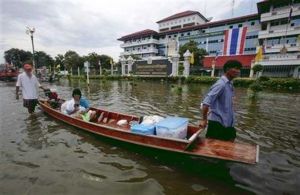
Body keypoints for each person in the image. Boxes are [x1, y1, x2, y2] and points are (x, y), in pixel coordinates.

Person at [199, 61, 242, 141]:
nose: (238, 71)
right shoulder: (221, 84)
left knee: (230, 144)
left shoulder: (230, 84)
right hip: (217, 124)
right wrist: (204, 119)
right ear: (228, 69)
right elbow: (206, 103)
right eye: (236, 68)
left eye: (239, 69)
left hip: (228, 123)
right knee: (212, 149)